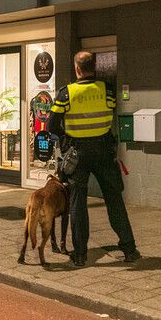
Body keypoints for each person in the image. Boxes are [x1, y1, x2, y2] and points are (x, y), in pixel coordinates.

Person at [48, 51, 140, 267]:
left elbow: (51, 125)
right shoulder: (106, 90)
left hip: (77, 153)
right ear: (94, 68)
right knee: (114, 199)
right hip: (103, 152)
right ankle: (129, 248)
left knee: (77, 203)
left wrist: (66, 139)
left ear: (77, 69)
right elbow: (112, 114)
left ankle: (80, 255)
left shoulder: (66, 94)